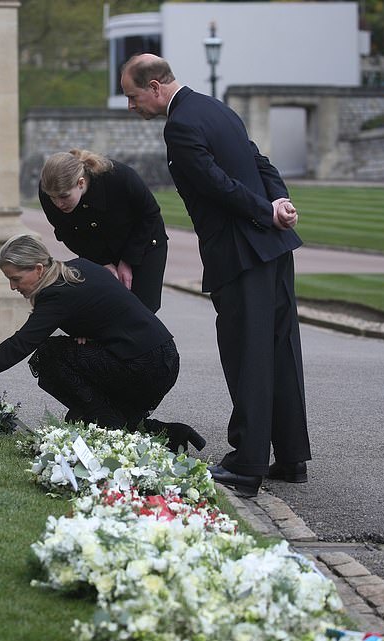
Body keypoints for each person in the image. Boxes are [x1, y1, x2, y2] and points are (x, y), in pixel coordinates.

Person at [119, 54, 310, 497]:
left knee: (249, 357)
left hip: (241, 254)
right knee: (280, 352)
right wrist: (280, 202)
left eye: (132, 97)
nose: (131, 106)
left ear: (154, 86)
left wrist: (268, 209)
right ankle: (291, 457)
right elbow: (260, 163)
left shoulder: (180, 125)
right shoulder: (217, 108)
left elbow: (215, 185)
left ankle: (246, 466)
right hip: (275, 250)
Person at [0, 234, 204, 452]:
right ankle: (168, 433)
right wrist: (89, 330)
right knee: (76, 392)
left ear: (38, 269)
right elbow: (110, 311)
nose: (13, 287)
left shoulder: (56, 296)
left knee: (49, 355)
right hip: (159, 357)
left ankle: (111, 423)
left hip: (146, 366)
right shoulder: (77, 268)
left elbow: (17, 347)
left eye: (16, 278)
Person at [39, 149, 168, 313]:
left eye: (64, 196)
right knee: (104, 306)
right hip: (96, 248)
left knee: (142, 309)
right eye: (53, 197)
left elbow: (149, 214)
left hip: (143, 242)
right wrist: (102, 261)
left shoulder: (119, 177)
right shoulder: (48, 192)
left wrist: (128, 260)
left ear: (80, 183)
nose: (58, 204)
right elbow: (68, 233)